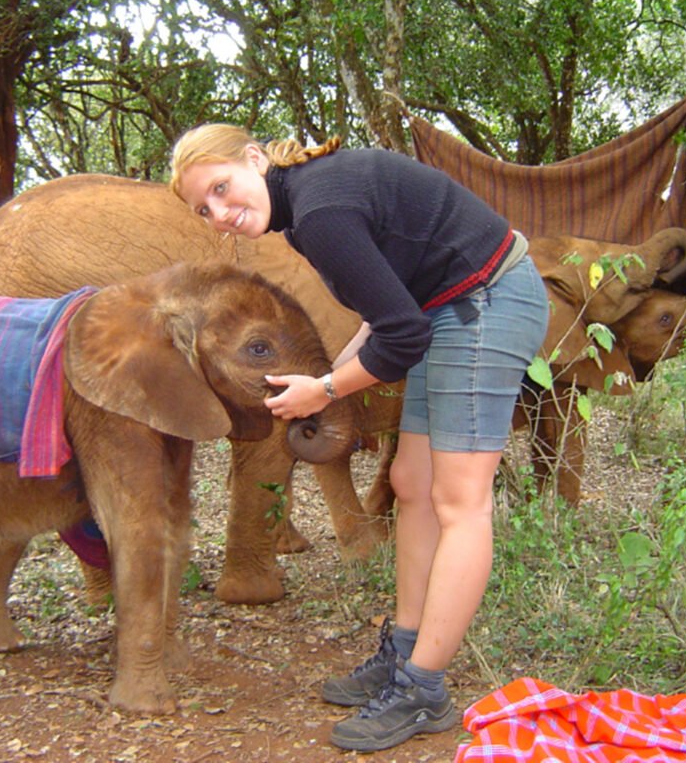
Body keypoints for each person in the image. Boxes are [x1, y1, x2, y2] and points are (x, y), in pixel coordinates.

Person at [169, 124, 549, 753]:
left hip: (487, 303)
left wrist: (324, 392)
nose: (220, 214)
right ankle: (403, 650)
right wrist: (325, 377)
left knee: (460, 500)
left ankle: (424, 688)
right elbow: (386, 312)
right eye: (203, 209)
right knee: (410, 482)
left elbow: (401, 337)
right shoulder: (304, 207)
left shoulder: (321, 209)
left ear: (255, 160)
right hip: (446, 308)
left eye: (221, 187)